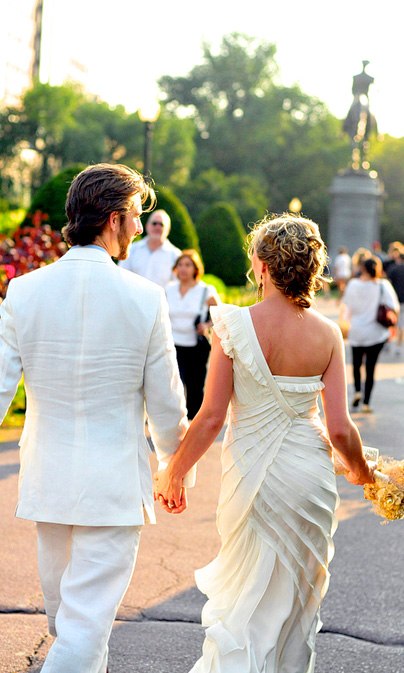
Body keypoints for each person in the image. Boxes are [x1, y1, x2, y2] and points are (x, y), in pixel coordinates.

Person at [152, 213, 375, 673]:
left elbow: (211, 417)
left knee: (246, 604)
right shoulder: (328, 334)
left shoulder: (232, 326)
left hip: (250, 476)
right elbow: (339, 430)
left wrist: (174, 471)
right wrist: (364, 474)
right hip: (309, 479)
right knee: (295, 607)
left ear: (263, 266)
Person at [0, 163, 192, 672]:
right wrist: (175, 469)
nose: (136, 228)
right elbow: (167, 402)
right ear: (112, 219)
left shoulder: (23, 291)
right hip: (112, 487)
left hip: (48, 481)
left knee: (73, 624)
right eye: (134, 217)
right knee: (82, 629)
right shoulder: (145, 298)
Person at [339, 255, 399, 413]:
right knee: (371, 368)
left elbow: (346, 308)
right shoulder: (383, 286)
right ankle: (366, 403)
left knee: (357, 365)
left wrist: (345, 322)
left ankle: (357, 391)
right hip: (376, 334)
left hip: (357, 331)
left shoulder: (353, 284)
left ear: (362, 268)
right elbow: (394, 307)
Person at [166, 250, 220, 419]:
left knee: (195, 386)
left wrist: (207, 324)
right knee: (173, 384)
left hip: (196, 346)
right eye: (180, 265)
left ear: (195, 268)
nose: (183, 269)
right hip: (173, 344)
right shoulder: (169, 289)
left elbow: (219, 315)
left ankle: (194, 423)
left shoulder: (206, 290)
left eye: (188, 265)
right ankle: (175, 420)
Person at [118, 208, 181, 286]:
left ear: (168, 230)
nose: (157, 227)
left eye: (161, 224)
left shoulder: (175, 256)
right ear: (147, 226)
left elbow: (178, 285)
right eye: (154, 223)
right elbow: (121, 275)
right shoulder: (132, 249)